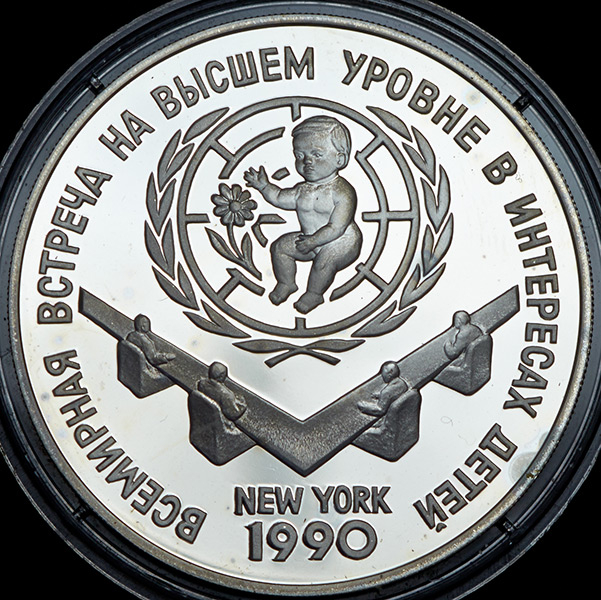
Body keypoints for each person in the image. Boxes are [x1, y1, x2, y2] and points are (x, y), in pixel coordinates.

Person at [244, 115, 362, 314]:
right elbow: (279, 197)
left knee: (325, 261)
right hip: (310, 240)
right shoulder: (302, 190)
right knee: (280, 247)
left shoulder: (342, 192)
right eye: (300, 155)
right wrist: (263, 186)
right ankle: (286, 283)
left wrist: (314, 241)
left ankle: (314, 294)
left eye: (317, 154)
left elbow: (337, 227)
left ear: (340, 158)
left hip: (342, 242)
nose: (307, 161)